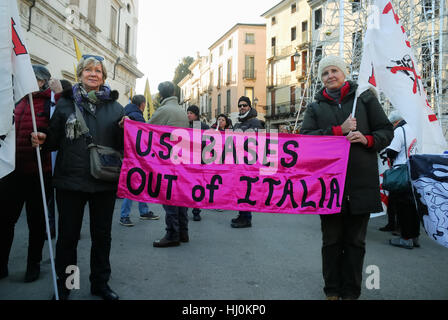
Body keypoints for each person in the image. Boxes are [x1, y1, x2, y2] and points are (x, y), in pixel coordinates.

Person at [31, 54, 126, 300]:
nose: (93, 74)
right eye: (88, 70)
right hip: (70, 181)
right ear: (80, 74)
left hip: (104, 182)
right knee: (68, 238)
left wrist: (126, 130)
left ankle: (100, 284)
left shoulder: (116, 108)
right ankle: (67, 284)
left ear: (104, 77)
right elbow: (52, 140)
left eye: (98, 71)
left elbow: (122, 146)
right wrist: (42, 138)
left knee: (102, 237)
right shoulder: (64, 104)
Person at [301, 55, 393, 300]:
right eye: (325, 73)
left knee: (356, 243)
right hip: (328, 188)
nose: (330, 76)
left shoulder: (365, 98)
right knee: (331, 242)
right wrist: (337, 131)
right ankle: (331, 290)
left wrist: (367, 139)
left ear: (343, 73)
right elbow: (305, 141)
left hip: (361, 185)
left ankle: (351, 291)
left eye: (334, 71)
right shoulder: (315, 107)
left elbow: (386, 130)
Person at [0, 65, 62, 283]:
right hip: (12, 172)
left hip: (39, 173)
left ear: (43, 82)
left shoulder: (51, 103)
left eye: (32, 78)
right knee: (5, 220)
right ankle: (2, 264)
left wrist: (44, 135)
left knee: (36, 223)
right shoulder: (18, 100)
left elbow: (58, 132)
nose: (25, 80)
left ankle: (33, 265)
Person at [149, 81, 190, 247]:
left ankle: (172, 234)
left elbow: (146, 129)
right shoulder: (182, 111)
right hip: (183, 159)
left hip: (168, 160)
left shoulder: (164, 110)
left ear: (161, 95)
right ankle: (183, 232)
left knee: (169, 196)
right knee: (181, 196)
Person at [119, 94, 159, 227]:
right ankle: (124, 215)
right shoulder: (136, 116)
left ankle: (144, 211)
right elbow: (144, 137)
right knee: (132, 184)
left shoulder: (126, 112)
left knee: (140, 182)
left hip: (130, 154)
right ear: (142, 104)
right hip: (135, 156)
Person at [386, 110, 420, 249]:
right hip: (416, 169)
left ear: (396, 122)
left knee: (403, 206)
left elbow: (392, 151)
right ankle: (415, 236)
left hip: (402, 172)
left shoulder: (400, 131)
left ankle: (406, 237)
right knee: (414, 206)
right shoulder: (415, 129)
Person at [230, 96, 263, 228]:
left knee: (246, 190)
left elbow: (257, 143)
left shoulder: (255, 122)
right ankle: (242, 214)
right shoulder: (238, 123)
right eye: (240, 105)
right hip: (239, 162)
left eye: (244, 105)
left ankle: (246, 218)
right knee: (240, 190)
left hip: (249, 163)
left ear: (249, 107)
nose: (242, 107)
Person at [187, 105, 210, 221]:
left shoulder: (203, 127)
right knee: (187, 186)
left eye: (190, 113)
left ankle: (196, 211)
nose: (188, 115)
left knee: (197, 186)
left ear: (196, 114)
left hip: (199, 161)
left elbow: (209, 144)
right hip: (188, 161)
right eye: (188, 113)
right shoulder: (185, 126)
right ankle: (187, 209)